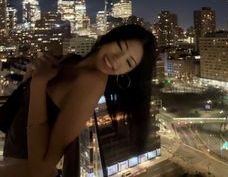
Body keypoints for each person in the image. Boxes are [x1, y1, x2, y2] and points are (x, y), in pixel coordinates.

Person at [0, 24, 157, 177]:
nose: (117, 60)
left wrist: (38, 84)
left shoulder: (92, 83)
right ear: (108, 39)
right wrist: (31, 74)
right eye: (120, 46)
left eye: (129, 63)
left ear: (129, 72)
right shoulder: (70, 59)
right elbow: (23, 107)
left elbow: (41, 170)